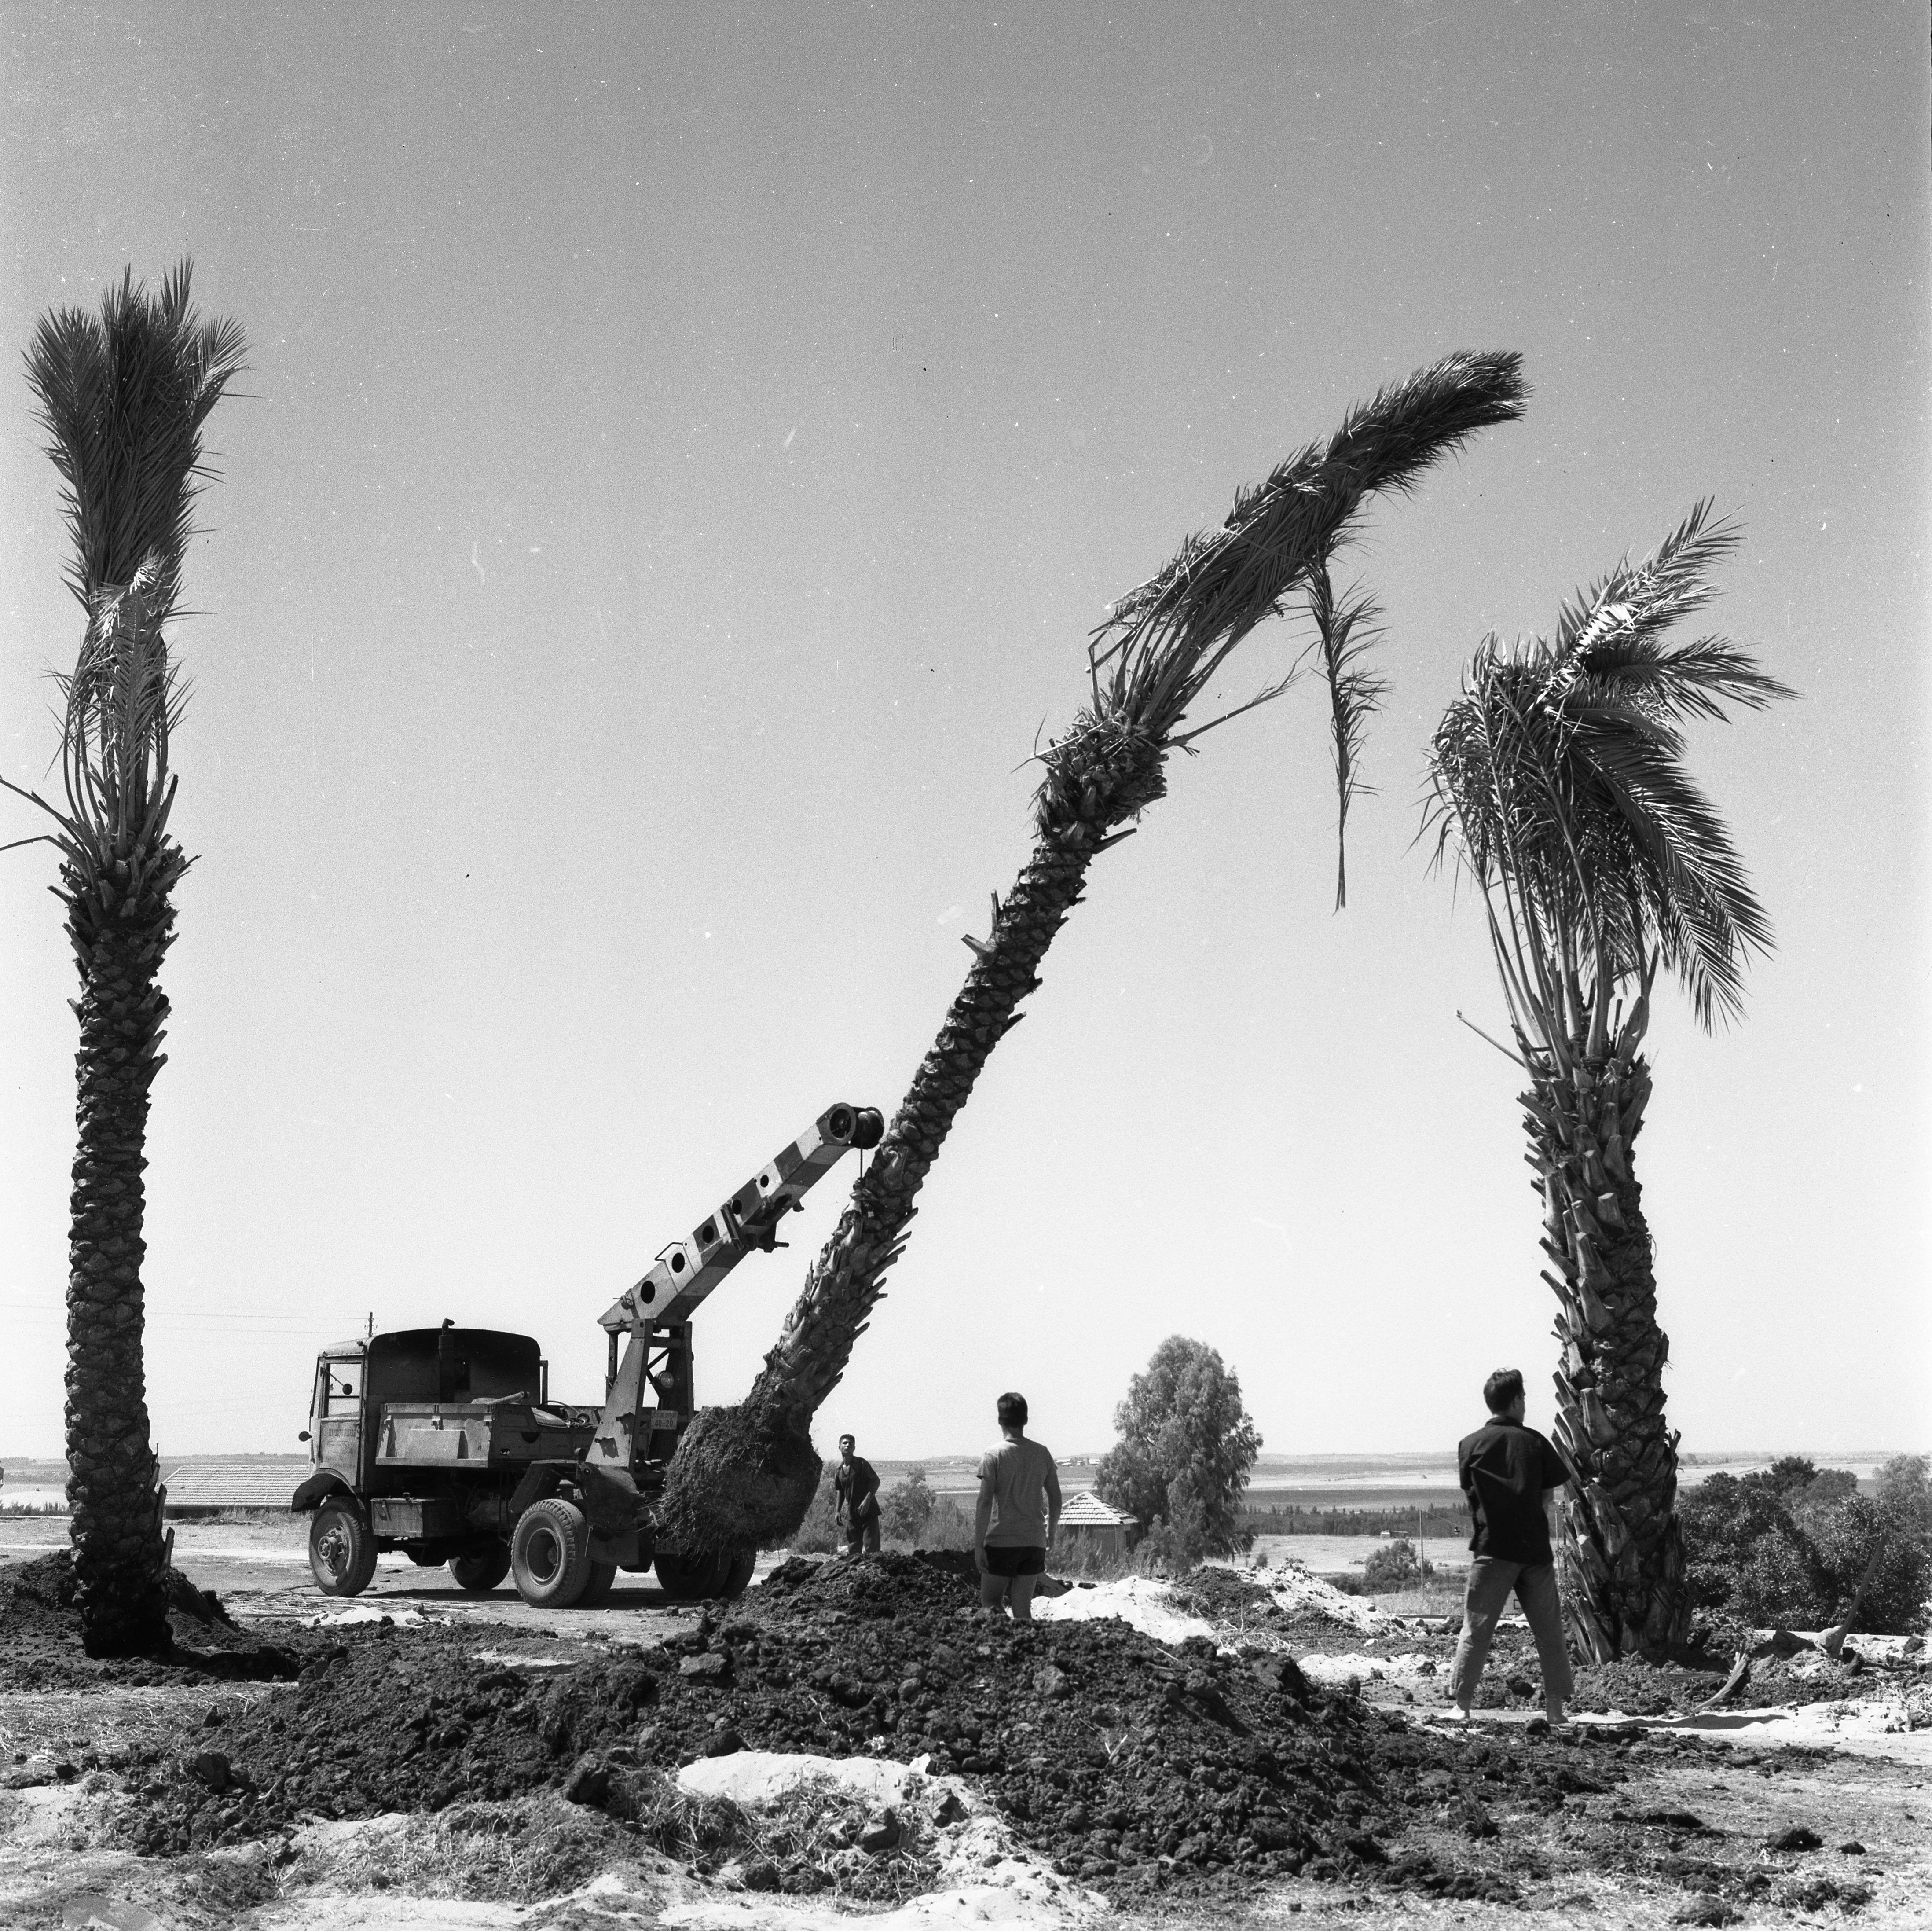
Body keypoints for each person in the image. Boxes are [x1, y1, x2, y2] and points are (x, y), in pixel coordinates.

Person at [1447, 1368, 1576, 1726]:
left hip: (1492, 1550)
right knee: (1548, 1630)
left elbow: (1470, 1492)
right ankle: (1554, 1711)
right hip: (1533, 1551)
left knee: (1476, 1627)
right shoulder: (1535, 1443)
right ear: (1517, 1401)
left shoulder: (1469, 1444)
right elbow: (1547, 1497)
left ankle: (1462, 1705)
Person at [975, 1391, 1061, 1621]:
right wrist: (1050, 1533)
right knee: (1023, 1612)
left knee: (991, 1606)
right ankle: (1029, 1653)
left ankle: (1002, 1653)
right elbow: (1056, 1497)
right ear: (1026, 1420)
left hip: (1002, 1543)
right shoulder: (1042, 1453)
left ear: (1000, 1419)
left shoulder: (993, 1455)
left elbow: (984, 1503)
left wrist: (978, 1546)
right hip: (1033, 1543)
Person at [832, 1433, 881, 1556]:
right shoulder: (839, 1471)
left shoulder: (861, 1464)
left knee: (870, 1550)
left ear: (854, 1448)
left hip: (868, 1513)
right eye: (845, 1443)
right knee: (854, 1551)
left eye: (851, 1444)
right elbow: (840, 1491)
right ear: (839, 1448)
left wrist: (867, 1500)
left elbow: (875, 1481)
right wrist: (838, 1511)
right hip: (852, 1515)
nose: (848, 1445)